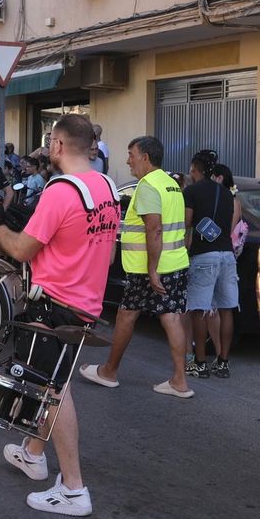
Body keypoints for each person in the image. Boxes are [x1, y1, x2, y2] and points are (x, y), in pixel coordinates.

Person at [0, 114, 121, 517]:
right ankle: (32, 453)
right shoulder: (107, 187)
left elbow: (24, 249)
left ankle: (73, 488)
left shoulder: (61, 190)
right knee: (55, 381)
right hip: (86, 299)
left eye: (50, 142)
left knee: (52, 390)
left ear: (59, 145)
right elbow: (107, 249)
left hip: (54, 301)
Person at [81, 136, 192, 398]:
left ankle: (109, 371)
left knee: (126, 315)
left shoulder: (147, 186)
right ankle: (179, 381)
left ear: (145, 157)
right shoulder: (171, 184)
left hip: (148, 269)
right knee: (172, 317)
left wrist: (152, 271)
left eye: (131, 154)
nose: (127, 160)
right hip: (175, 263)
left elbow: (154, 230)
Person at [183, 154, 241, 380]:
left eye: (192, 170)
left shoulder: (192, 191)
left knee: (199, 309)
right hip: (227, 255)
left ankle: (200, 363)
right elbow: (228, 224)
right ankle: (223, 362)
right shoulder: (227, 194)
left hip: (203, 255)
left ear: (196, 170)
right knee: (227, 309)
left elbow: (187, 222)